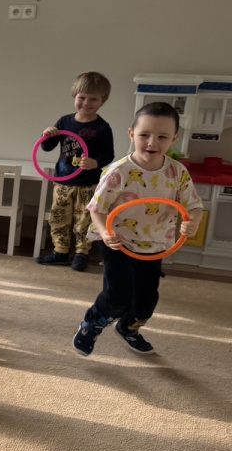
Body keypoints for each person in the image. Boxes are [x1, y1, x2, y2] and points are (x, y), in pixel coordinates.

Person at [72, 102, 203, 357]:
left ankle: (128, 327)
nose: (152, 142)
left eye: (162, 136)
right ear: (132, 134)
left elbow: (193, 206)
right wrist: (105, 233)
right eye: (145, 135)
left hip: (155, 243)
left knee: (146, 301)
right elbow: (97, 208)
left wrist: (194, 221)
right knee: (118, 295)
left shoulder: (177, 172)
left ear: (174, 139)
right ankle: (92, 322)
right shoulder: (118, 171)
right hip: (118, 241)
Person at [37, 71, 116, 271]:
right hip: (63, 181)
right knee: (59, 216)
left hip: (89, 183)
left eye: (93, 99)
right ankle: (60, 251)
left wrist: (95, 162)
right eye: (82, 97)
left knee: (84, 219)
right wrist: (47, 135)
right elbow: (47, 147)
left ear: (102, 101)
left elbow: (108, 154)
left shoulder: (102, 127)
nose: (86, 103)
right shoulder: (64, 122)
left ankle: (82, 253)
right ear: (74, 96)